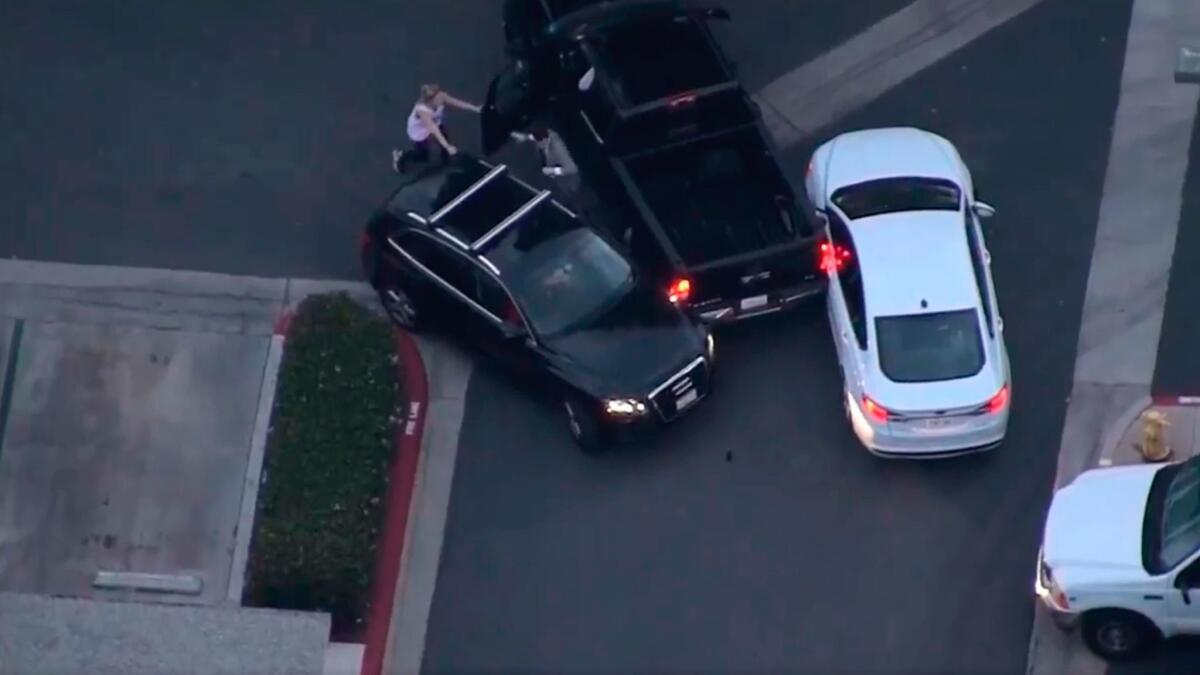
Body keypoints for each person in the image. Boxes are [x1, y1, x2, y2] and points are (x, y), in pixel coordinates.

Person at [393, 84, 481, 173]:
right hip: (419, 134)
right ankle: (401, 155)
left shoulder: (441, 96)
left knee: (444, 141)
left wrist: (475, 109)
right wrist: (447, 146)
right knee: (422, 156)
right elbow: (434, 129)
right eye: (438, 99)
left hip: (436, 124)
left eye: (440, 96)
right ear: (430, 101)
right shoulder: (423, 111)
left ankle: (447, 158)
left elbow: (456, 102)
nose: (441, 99)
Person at [513, 126, 581, 207]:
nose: (537, 145)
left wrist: (552, 170)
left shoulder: (558, 150)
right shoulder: (545, 135)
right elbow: (535, 136)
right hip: (552, 175)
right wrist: (525, 137)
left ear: (545, 141)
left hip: (569, 182)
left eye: (539, 143)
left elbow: (572, 168)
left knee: (570, 200)